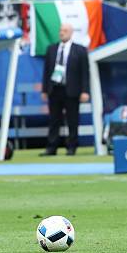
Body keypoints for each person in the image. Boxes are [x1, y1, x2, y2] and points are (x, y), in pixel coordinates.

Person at [41, 24, 90, 156]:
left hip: (71, 90)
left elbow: (85, 72)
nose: (62, 33)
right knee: (54, 120)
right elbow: (46, 71)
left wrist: (85, 91)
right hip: (55, 89)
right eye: (61, 30)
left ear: (71, 33)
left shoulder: (80, 50)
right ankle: (52, 147)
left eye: (65, 31)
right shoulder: (51, 49)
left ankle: (72, 146)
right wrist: (45, 89)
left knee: (72, 120)